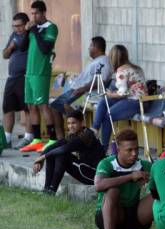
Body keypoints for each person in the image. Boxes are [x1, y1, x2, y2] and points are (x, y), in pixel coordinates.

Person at [94, 128, 153, 229]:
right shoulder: (107, 163)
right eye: (129, 150)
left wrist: (151, 182)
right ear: (118, 149)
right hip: (108, 218)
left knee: (158, 196)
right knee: (112, 191)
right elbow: (98, 185)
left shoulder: (144, 165)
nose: (134, 153)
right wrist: (131, 176)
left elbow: (162, 177)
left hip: (133, 216)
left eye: (136, 149)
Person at [50, 36, 112, 139]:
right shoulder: (97, 61)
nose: (89, 48)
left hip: (86, 93)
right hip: (78, 89)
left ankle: (71, 135)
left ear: (96, 47)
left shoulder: (103, 62)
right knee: (54, 104)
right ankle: (64, 137)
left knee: (57, 106)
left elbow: (102, 80)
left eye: (90, 46)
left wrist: (83, 88)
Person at [32, 110, 106, 194]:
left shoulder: (86, 136)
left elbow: (64, 149)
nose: (70, 126)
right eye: (68, 123)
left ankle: (52, 190)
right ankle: (47, 189)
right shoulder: (74, 134)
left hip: (93, 175)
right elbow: (55, 145)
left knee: (61, 155)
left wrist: (43, 157)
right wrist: (40, 159)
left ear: (82, 123)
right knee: (53, 153)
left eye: (74, 123)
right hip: (84, 169)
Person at [91, 44, 148, 152]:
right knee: (104, 102)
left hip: (136, 102)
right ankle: (94, 128)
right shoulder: (135, 68)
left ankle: (103, 148)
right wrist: (111, 95)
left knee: (108, 116)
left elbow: (123, 93)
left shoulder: (121, 71)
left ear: (113, 58)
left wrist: (111, 94)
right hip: (139, 100)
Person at [19, 1, 58, 152]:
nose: (33, 16)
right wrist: (27, 32)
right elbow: (22, 48)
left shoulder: (51, 28)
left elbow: (45, 49)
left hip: (41, 73)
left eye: (35, 13)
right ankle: (37, 140)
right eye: (32, 13)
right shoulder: (33, 29)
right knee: (31, 106)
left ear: (43, 13)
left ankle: (52, 139)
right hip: (29, 72)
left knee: (43, 105)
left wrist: (34, 31)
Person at [2, 12, 34, 149]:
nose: (17, 29)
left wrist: (27, 32)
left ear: (25, 24)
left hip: (25, 76)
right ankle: (7, 138)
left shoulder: (30, 35)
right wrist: (10, 48)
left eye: (19, 26)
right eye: (14, 26)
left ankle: (28, 137)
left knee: (27, 108)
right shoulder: (14, 35)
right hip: (12, 77)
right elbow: (4, 55)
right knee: (7, 108)